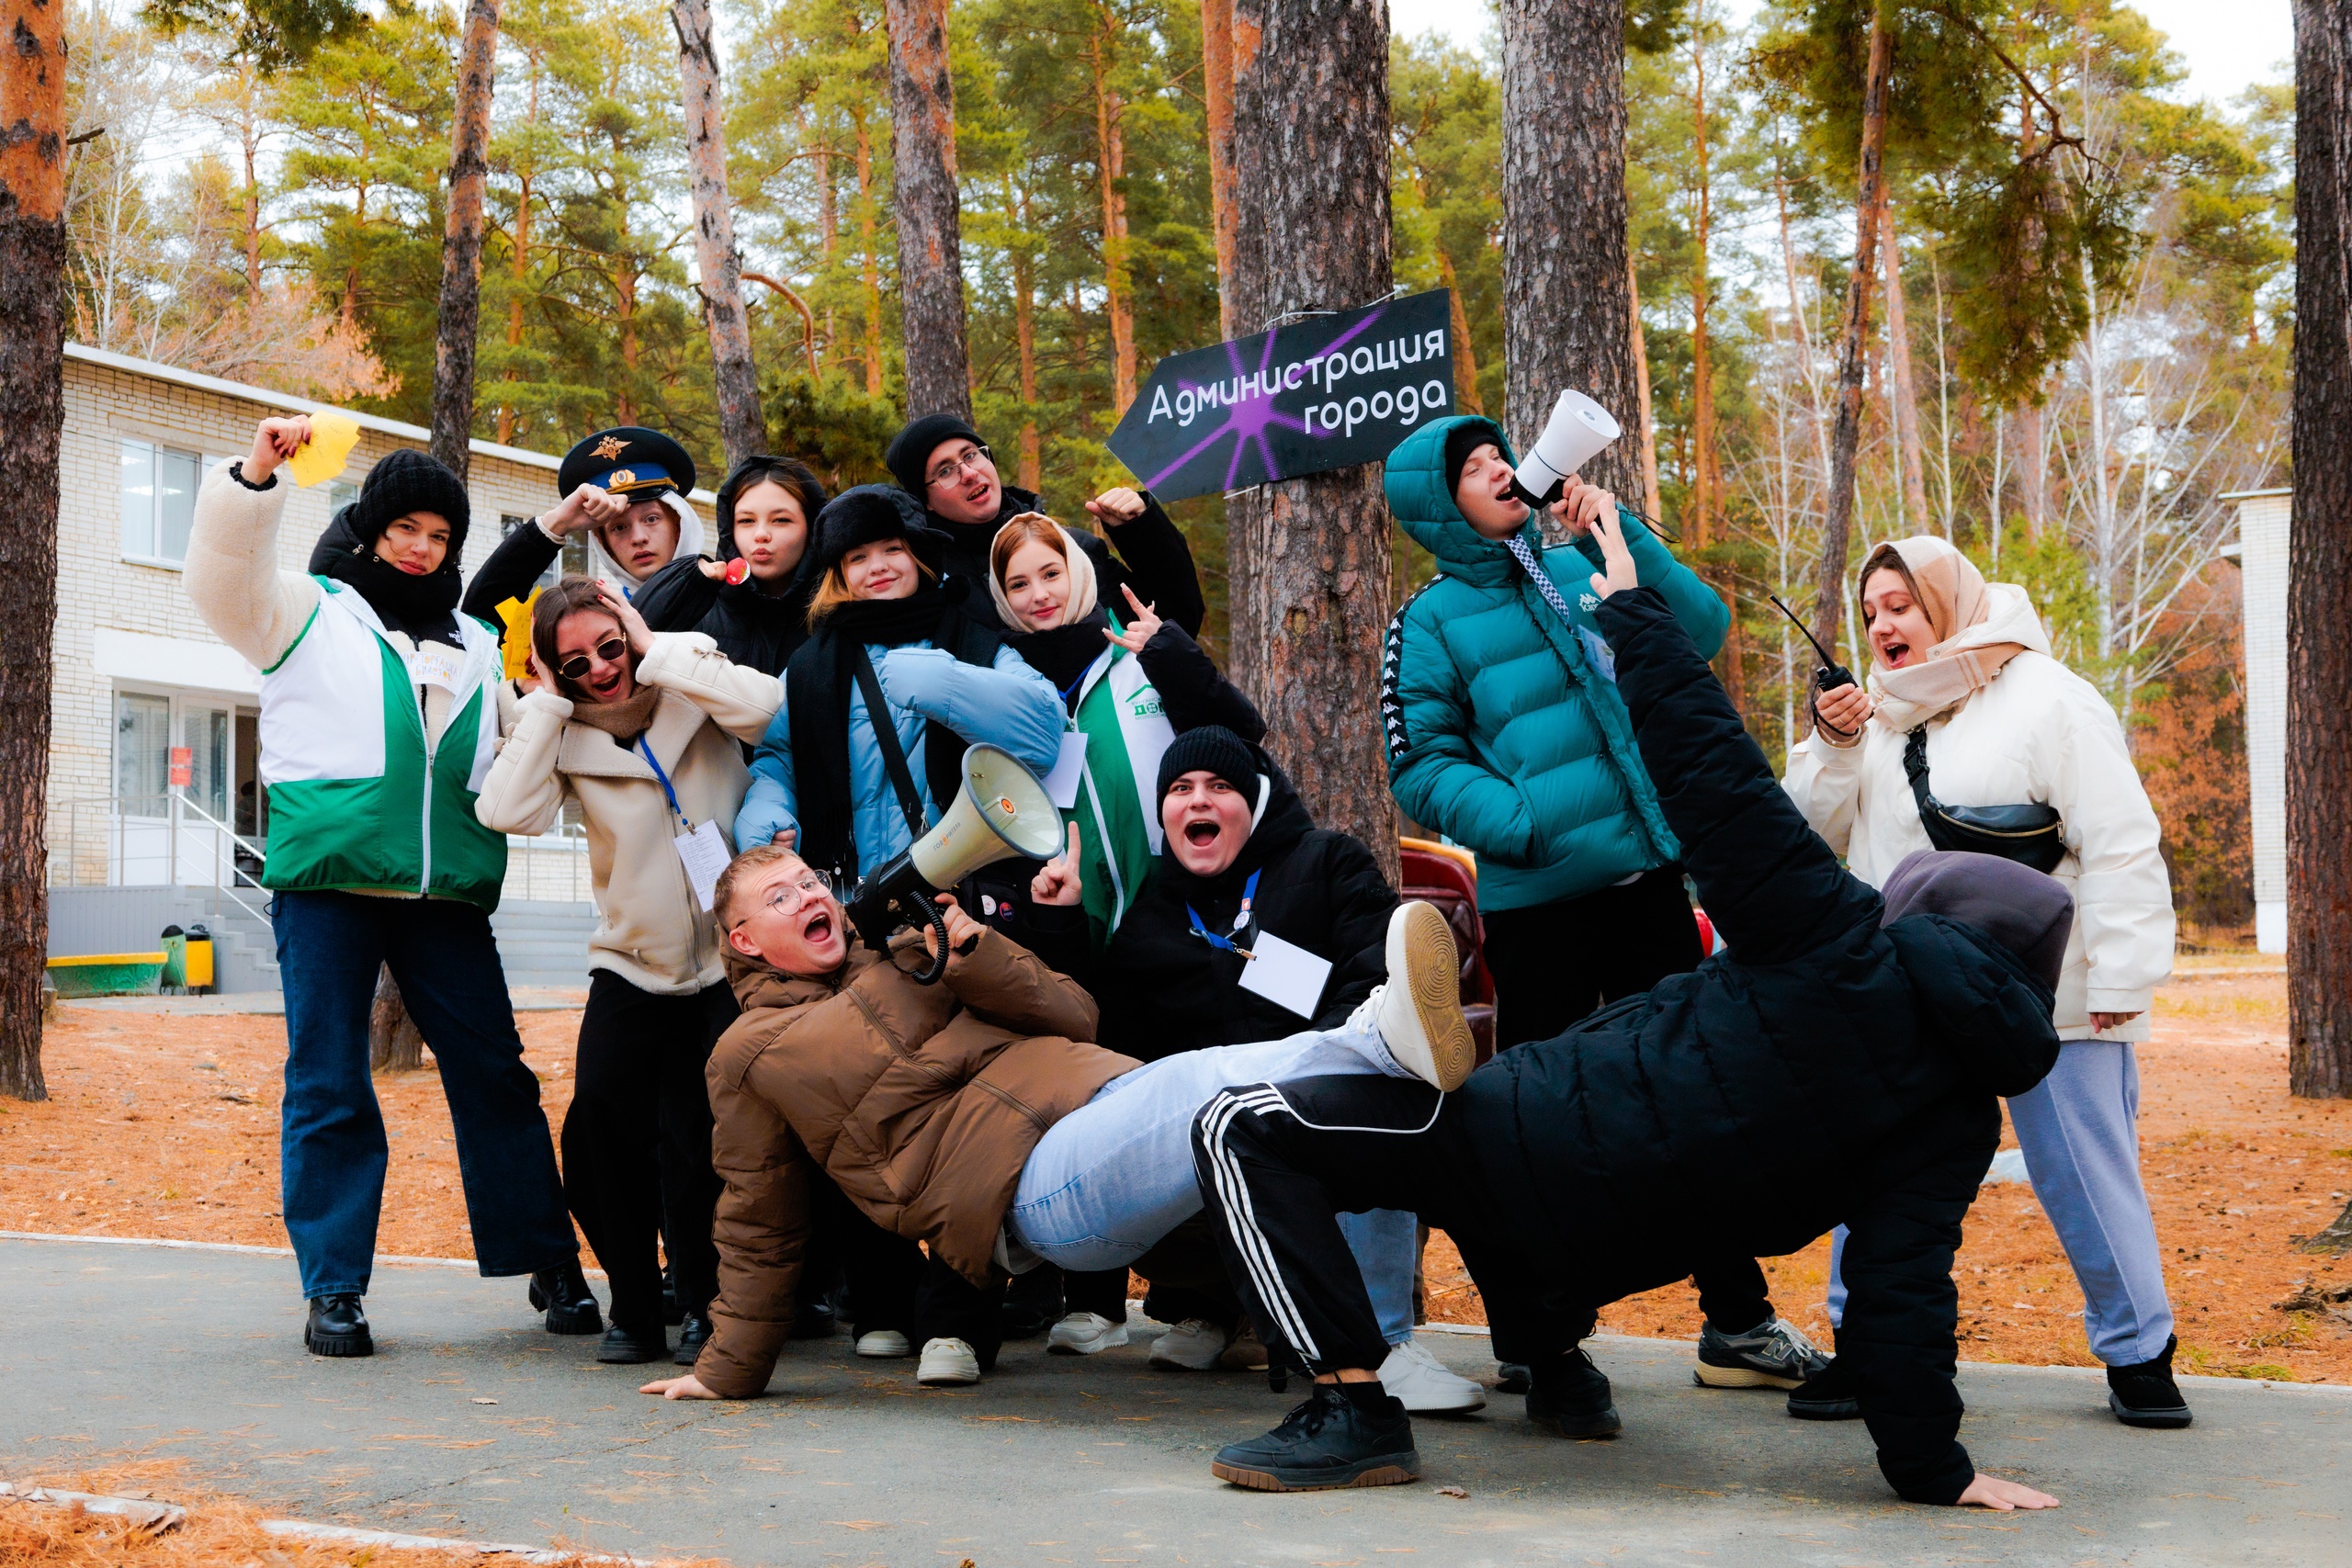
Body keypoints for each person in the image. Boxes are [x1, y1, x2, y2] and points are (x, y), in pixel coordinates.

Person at [1188, 504, 2069, 1511]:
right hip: (1604, 1249)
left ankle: (1352, 1404)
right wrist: (1934, 1470)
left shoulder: (1837, 938)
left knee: (1243, 1127)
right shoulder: (1956, 1121)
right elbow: (1901, 1291)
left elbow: (1714, 778)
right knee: (1557, 1187)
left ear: (1926, 903)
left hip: (1518, 1140)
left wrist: (1635, 618)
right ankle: (1554, 1366)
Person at [634, 844, 1474, 1400]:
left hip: (1097, 1097)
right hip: (1022, 1191)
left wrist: (974, 955)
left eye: (813, 880)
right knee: (1201, 1083)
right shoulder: (747, 1052)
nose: (810, 895)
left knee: (1330, 1132)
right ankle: (1371, 1038)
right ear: (744, 939)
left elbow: (1076, 1014)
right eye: (782, 897)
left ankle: (1386, 1350)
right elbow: (756, 1214)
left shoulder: (910, 952)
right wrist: (728, 1368)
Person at [1378, 413, 1818, 1393]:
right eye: (1475, 468)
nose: (1501, 470)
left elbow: (1699, 633)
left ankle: (1736, 1327)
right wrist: (1527, 821)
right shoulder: (1430, 621)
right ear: (1437, 507)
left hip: (1651, 887)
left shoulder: (1580, 561)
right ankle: (1539, 1338)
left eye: (1503, 457)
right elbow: (1419, 763)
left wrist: (1627, 540)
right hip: (1539, 910)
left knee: (1698, 1098)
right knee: (1534, 1121)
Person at [186, 416, 582, 1359]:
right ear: (371, 530)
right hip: (329, 887)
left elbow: (498, 752)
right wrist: (254, 476)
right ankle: (334, 1289)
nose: (421, 546)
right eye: (405, 527)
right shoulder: (306, 612)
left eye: (439, 535)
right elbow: (221, 577)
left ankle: (547, 1259)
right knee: (329, 1080)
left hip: (445, 896)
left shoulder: (479, 644)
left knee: (496, 1075)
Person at [1783, 536, 2186, 1428]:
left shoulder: (2050, 700)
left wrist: (2120, 977)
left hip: (2052, 981)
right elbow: (1807, 823)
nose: (1883, 625)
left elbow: (2119, 840)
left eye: (1900, 605)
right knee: (1880, 1165)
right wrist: (1831, 741)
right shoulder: (1875, 718)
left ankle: (2138, 1350)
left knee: (2078, 1165)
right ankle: (1867, 1347)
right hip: (1914, 986)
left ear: (1946, 604)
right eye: (1870, 612)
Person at [1015, 728, 1487, 1413]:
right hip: (1213, 1172)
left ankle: (1383, 1345)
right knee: (1173, 1106)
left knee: (1381, 1074)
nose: (1197, 799)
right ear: (1164, 814)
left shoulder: (1327, 865)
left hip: (1324, 1132)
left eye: (1219, 786)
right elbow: (1103, 1049)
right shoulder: (1148, 919)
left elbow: (1382, 984)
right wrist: (1058, 923)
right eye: (1179, 789)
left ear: (1255, 802)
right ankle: (1221, 1311)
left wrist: (1300, 1076)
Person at [474, 577, 784, 1367]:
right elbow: (507, 812)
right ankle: (634, 1306)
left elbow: (772, 709)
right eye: (575, 662)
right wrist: (545, 704)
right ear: (552, 668)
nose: (601, 669)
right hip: (631, 962)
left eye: (610, 646)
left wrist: (657, 650)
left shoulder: (690, 677)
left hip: (727, 960)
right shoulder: (560, 725)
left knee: (701, 1142)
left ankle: (706, 1308)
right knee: (601, 1135)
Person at [733, 485, 1064, 883]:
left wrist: (949, 686)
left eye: (892, 549)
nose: (877, 567)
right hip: (850, 901)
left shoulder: (972, 642)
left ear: (919, 555)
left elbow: (1045, 736)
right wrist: (768, 808)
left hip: (958, 891)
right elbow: (779, 758)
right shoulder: (809, 664)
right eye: (857, 557)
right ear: (840, 573)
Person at [883, 412, 1205, 637]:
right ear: (923, 499)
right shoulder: (929, 582)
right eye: (944, 471)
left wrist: (1141, 532)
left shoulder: (1073, 550)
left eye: (970, 455)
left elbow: (1177, 621)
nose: (968, 473)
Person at [460, 427, 707, 624]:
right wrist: (556, 524)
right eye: (618, 527)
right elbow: (482, 621)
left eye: (651, 519)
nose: (638, 538)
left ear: (678, 525)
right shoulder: (599, 621)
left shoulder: (730, 601)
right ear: (604, 544)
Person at [633, 455, 827, 676]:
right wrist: (690, 578)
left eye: (781, 520)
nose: (761, 534)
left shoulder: (837, 617)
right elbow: (632, 644)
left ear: (812, 528)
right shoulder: (702, 610)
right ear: (729, 528)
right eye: (746, 521)